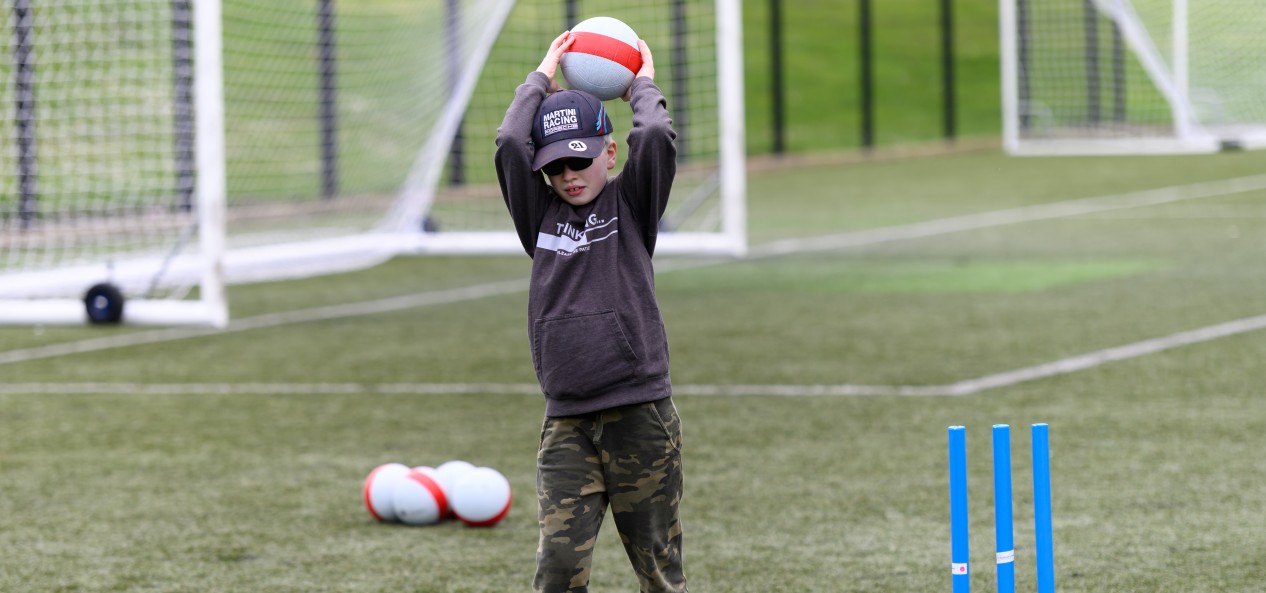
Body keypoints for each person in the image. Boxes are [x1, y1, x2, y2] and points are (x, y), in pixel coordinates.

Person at [494, 30, 687, 593]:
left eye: (580, 159)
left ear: (609, 152)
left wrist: (641, 83)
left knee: (657, 567)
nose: (569, 176)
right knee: (557, 565)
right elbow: (510, 141)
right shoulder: (539, 215)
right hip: (567, 424)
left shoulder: (632, 202)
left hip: (640, 417)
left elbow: (653, 133)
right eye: (555, 166)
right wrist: (541, 77)